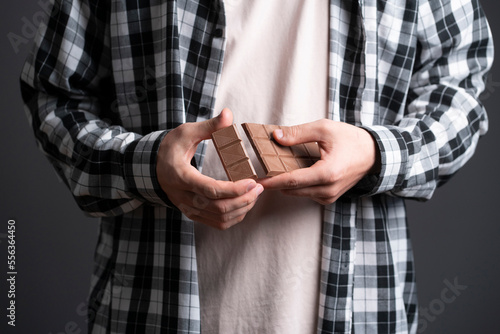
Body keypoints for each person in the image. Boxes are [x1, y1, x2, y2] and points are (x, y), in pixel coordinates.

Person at [20, 0, 493, 333]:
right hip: (150, 309)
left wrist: (375, 153)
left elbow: (461, 96)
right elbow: (57, 96)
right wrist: (148, 167)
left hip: (361, 311)